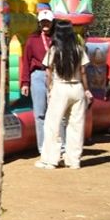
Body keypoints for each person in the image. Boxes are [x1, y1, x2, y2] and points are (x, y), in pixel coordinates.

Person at [35, 21, 91, 169]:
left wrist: (49, 89)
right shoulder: (79, 49)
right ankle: (74, 160)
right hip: (77, 87)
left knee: (52, 125)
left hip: (60, 88)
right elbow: (83, 72)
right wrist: (86, 90)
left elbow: (48, 72)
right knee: (76, 126)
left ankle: (50, 160)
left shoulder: (54, 50)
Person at [21, 10, 58, 152]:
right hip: (38, 75)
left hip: (56, 75)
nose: (45, 24)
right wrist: (25, 82)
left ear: (52, 22)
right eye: (43, 22)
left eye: (48, 21)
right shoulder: (33, 39)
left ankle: (57, 145)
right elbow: (26, 61)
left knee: (56, 111)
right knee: (40, 112)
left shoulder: (57, 38)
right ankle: (43, 148)